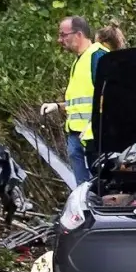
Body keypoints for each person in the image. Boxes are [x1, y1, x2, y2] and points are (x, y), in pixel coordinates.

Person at [40, 16, 107, 184]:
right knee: (84, 191)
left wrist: (95, 124)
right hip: (77, 137)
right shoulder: (79, 61)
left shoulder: (97, 57)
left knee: (99, 188)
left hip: (94, 139)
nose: (59, 40)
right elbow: (80, 103)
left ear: (78, 34)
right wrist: (57, 106)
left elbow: (111, 97)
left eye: (63, 35)